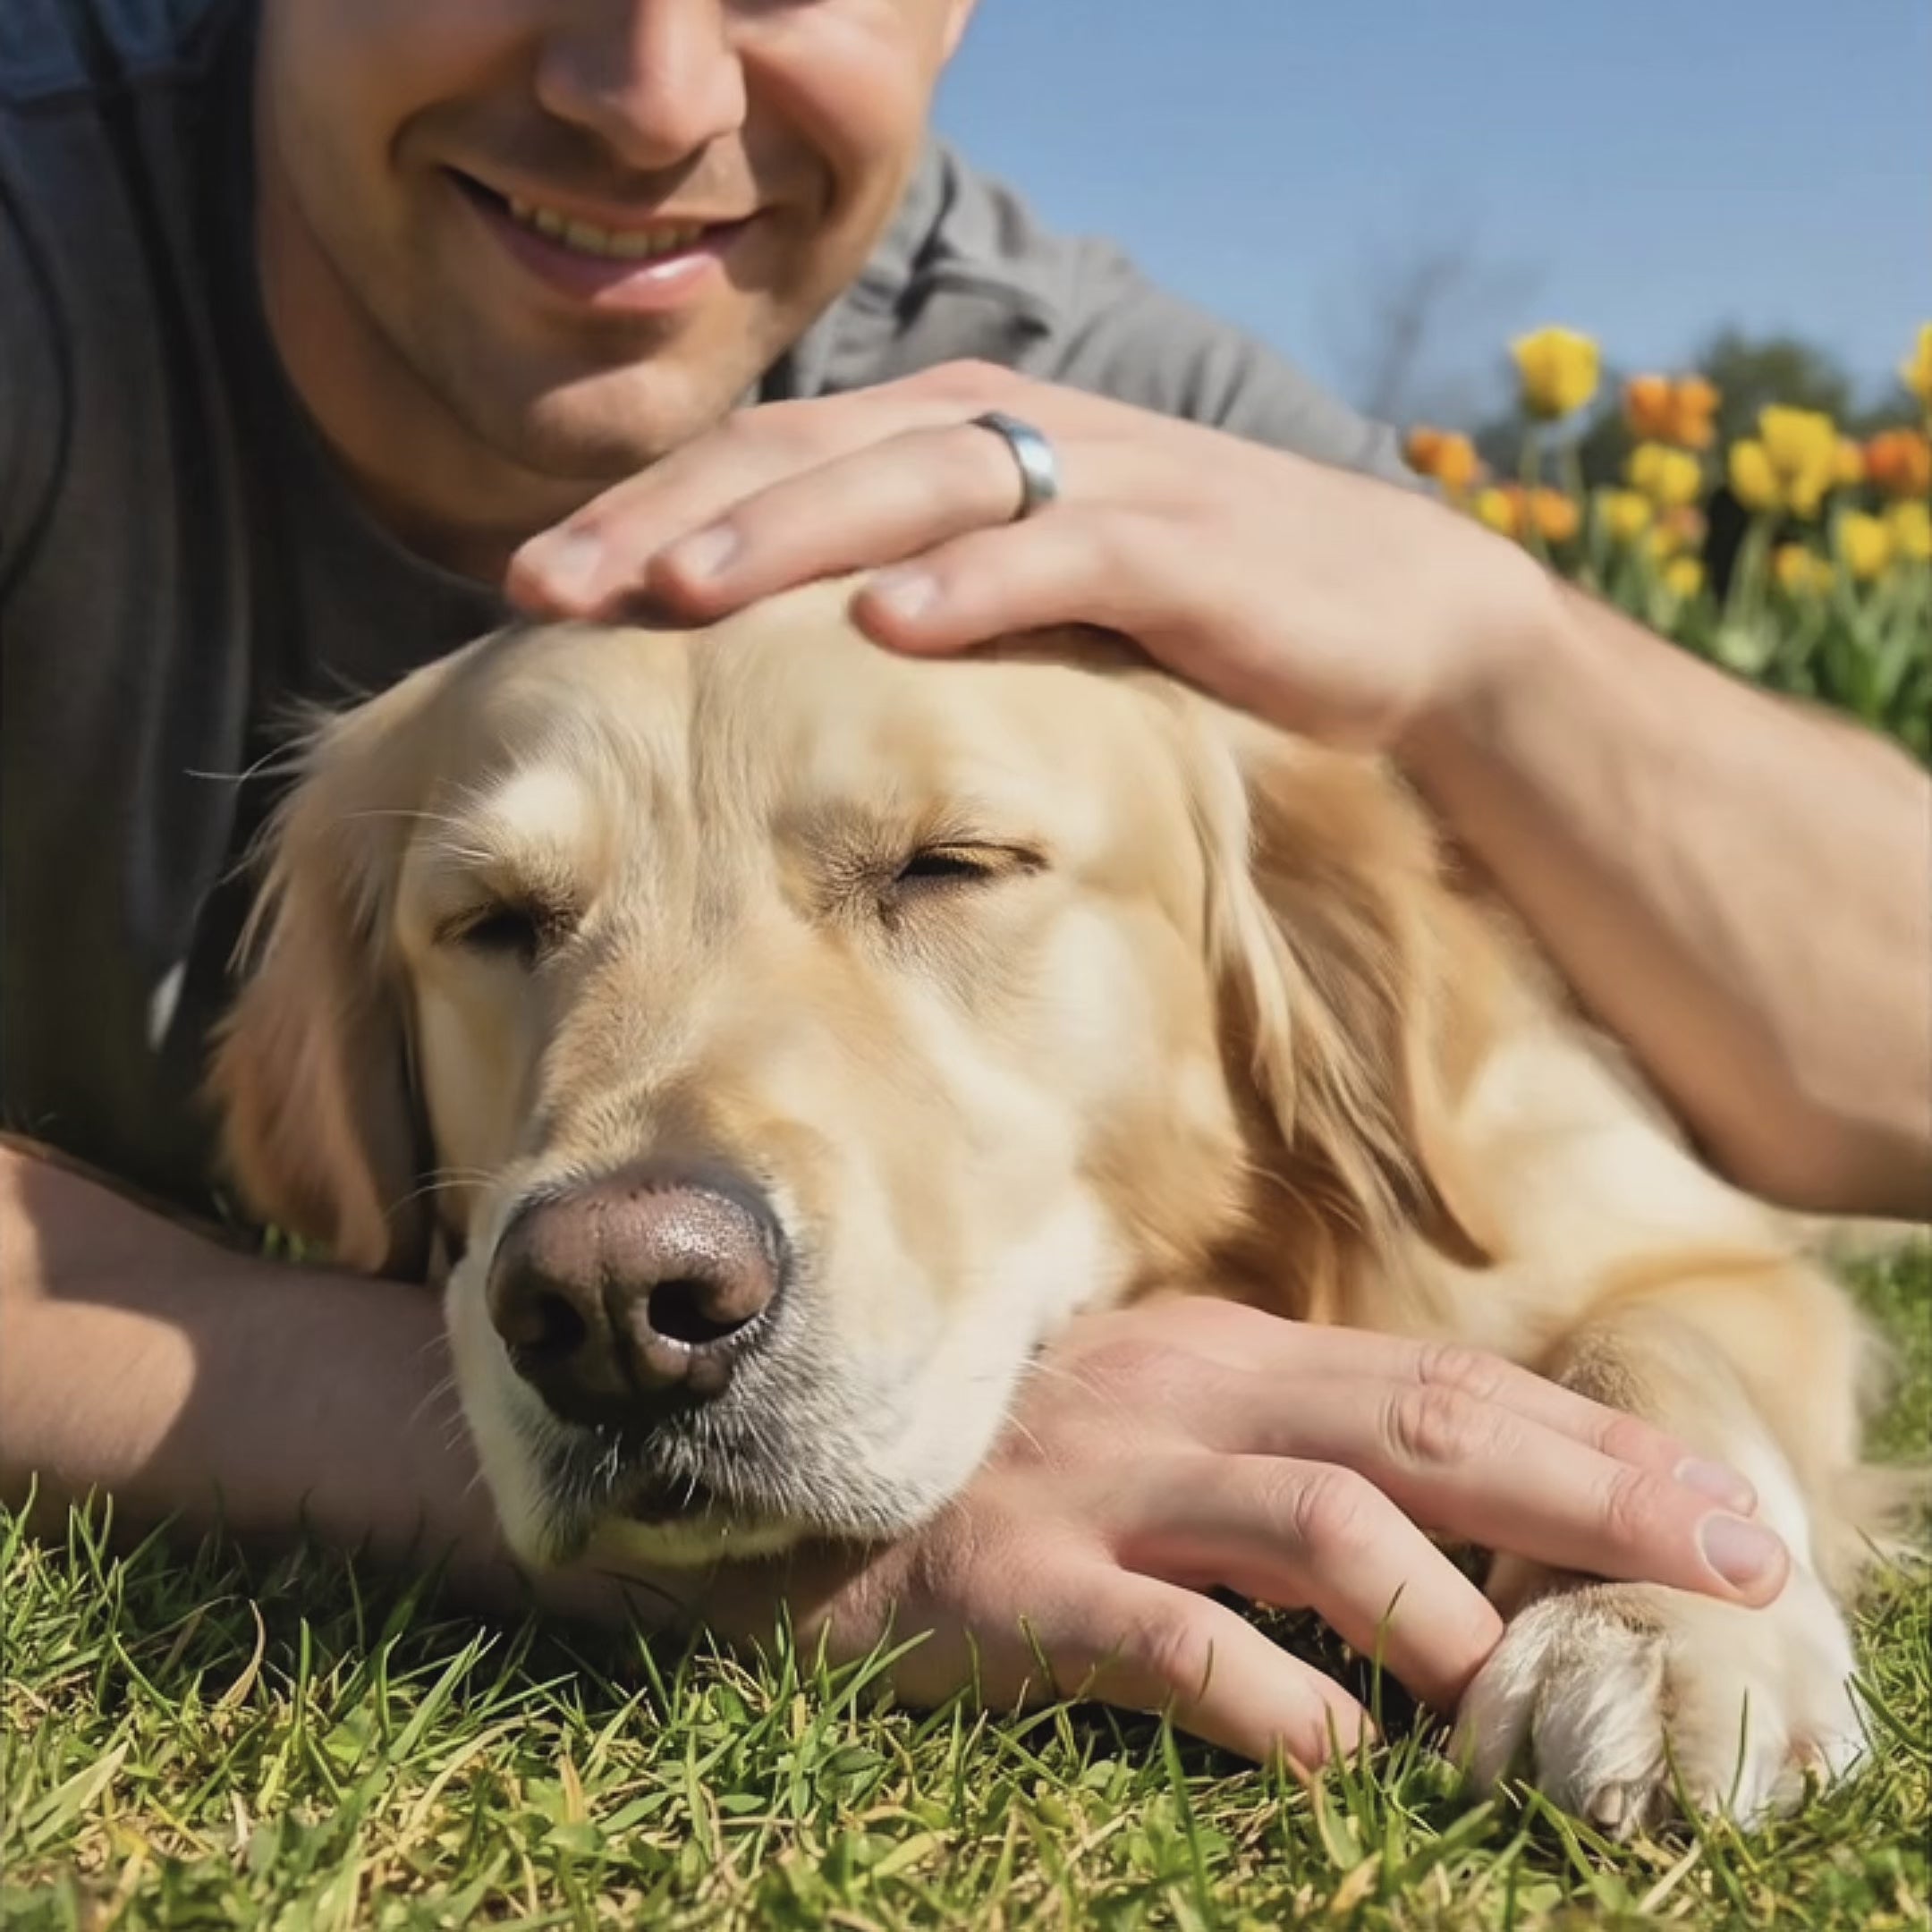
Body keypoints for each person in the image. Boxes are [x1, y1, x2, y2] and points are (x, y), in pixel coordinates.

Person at [3, 0, 1926, 1772]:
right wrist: (369, 1422)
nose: (655, 95)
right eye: (508, 924)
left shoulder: (1108, 430)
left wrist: (1488, 652)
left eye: (942, 867)